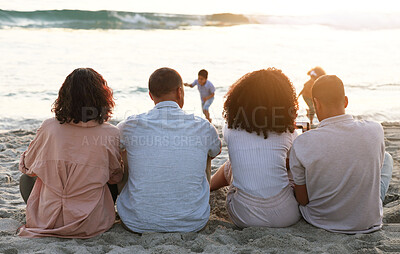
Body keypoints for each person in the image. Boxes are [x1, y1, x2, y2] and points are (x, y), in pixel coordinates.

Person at [18, 68, 123, 238]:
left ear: (64, 97)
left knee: (26, 178)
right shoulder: (110, 133)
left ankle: (41, 212)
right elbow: (115, 177)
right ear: (103, 98)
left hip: (47, 219)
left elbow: (27, 167)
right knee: (107, 180)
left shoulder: (49, 127)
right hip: (90, 223)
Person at [117, 67, 221, 233]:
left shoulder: (129, 126)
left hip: (136, 222)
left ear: (151, 95)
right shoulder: (203, 127)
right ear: (180, 92)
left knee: (124, 149)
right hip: (193, 223)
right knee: (207, 152)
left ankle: (139, 201)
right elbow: (216, 152)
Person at [290, 75, 393, 234]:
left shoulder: (303, 143)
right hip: (368, 222)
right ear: (345, 101)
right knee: (387, 158)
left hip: (320, 222)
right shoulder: (375, 130)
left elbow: (303, 201)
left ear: (316, 103)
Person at [210, 68, 301, 228]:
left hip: (243, 216)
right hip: (287, 216)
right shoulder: (290, 132)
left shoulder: (229, 129)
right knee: (290, 165)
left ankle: (208, 186)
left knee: (233, 163)